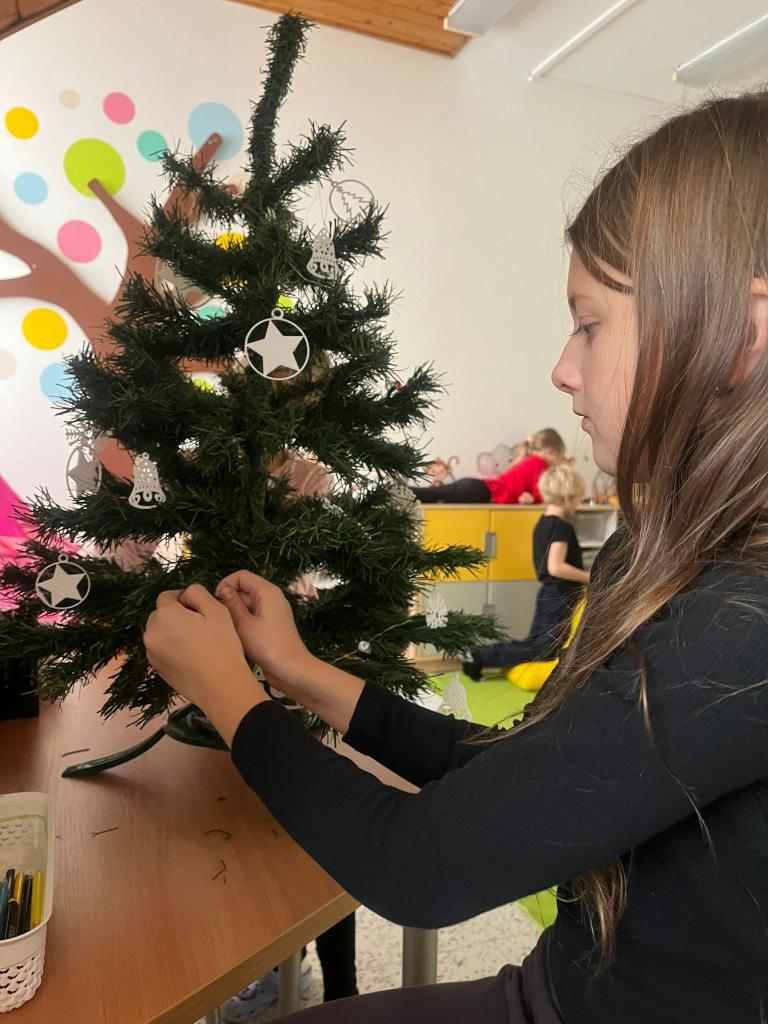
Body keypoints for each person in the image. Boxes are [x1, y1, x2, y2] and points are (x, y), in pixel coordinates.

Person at [143, 89, 768, 1024]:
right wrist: (298, 672)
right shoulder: (681, 560)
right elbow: (513, 769)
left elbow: (418, 867)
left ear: (741, 336)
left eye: (590, 323)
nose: (563, 368)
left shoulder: (743, 625)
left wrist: (229, 695)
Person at [461, 465, 589, 680]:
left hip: (548, 593)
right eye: (577, 498)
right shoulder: (562, 527)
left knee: (534, 643)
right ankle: (479, 656)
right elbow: (556, 567)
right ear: (567, 497)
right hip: (560, 595)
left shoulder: (543, 523)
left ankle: (479, 655)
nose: (578, 503)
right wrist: (589, 577)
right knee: (542, 649)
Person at [412, 428, 566, 504]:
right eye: (559, 457)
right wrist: (534, 499)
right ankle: (403, 493)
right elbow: (542, 493)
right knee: (433, 495)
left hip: (477, 488)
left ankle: (404, 493)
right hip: (480, 491)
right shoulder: (539, 462)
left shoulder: (531, 461)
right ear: (550, 451)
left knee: (434, 495)